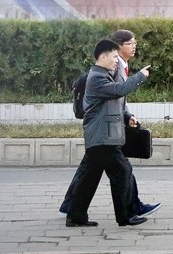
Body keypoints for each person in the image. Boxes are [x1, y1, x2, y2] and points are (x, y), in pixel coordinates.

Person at [60, 30, 160, 219]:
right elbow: (118, 91)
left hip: (103, 133)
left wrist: (127, 115)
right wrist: (140, 77)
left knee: (89, 176)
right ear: (106, 55)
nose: (115, 61)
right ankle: (127, 215)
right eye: (129, 43)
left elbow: (114, 101)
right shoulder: (100, 75)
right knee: (122, 171)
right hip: (102, 133)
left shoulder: (104, 71)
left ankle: (74, 213)